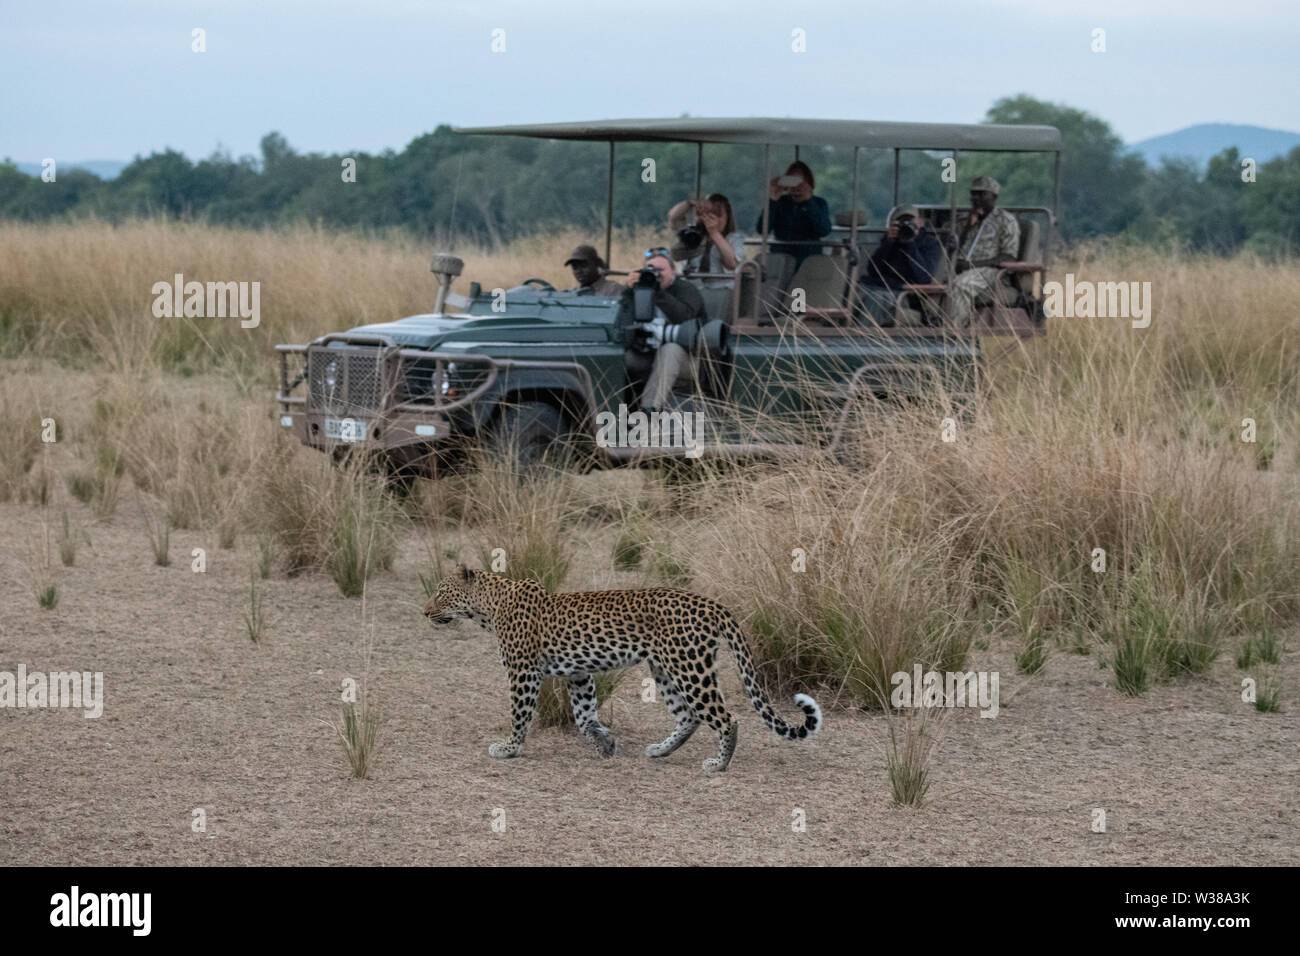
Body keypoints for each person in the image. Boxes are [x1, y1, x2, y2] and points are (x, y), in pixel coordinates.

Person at [624, 250, 707, 413]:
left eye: (660, 270)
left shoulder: (686, 290)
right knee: (621, 357)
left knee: (670, 351)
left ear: (673, 271)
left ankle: (649, 411)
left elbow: (684, 317)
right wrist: (629, 292)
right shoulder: (641, 289)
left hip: (692, 358)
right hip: (651, 353)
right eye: (650, 270)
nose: (655, 275)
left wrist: (658, 292)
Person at [948, 176, 1019, 328]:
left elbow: (1009, 257)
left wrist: (972, 265)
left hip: (990, 271)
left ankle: (956, 332)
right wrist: (968, 226)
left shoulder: (1006, 221)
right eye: (973, 194)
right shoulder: (965, 219)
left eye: (981, 194)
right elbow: (954, 246)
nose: (976, 198)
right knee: (933, 280)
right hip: (960, 266)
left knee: (962, 285)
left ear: (994, 197)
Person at [856, 204, 942, 327]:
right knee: (853, 292)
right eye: (902, 222)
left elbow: (924, 278)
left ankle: (862, 340)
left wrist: (910, 244)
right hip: (881, 287)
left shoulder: (929, 243)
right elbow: (873, 270)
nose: (906, 225)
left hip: (907, 295)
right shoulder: (891, 241)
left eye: (910, 221)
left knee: (876, 299)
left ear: (919, 222)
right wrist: (888, 243)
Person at [755, 161, 832, 265]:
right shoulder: (780, 202)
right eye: (792, 181)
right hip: (782, 259)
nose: (796, 187)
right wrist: (772, 200)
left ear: (809, 183)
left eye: (800, 182)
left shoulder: (819, 203)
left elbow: (823, 230)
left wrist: (809, 202)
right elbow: (762, 229)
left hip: (808, 259)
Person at [667, 193, 746, 289]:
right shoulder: (692, 234)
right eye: (709, 213)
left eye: (718, 214)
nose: (714, 218)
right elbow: (673, 218)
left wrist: (714, 233)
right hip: (692, 288)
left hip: (722, 289)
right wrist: (691, 203)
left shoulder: (734, 238)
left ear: (727, 217)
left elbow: (732, 264)